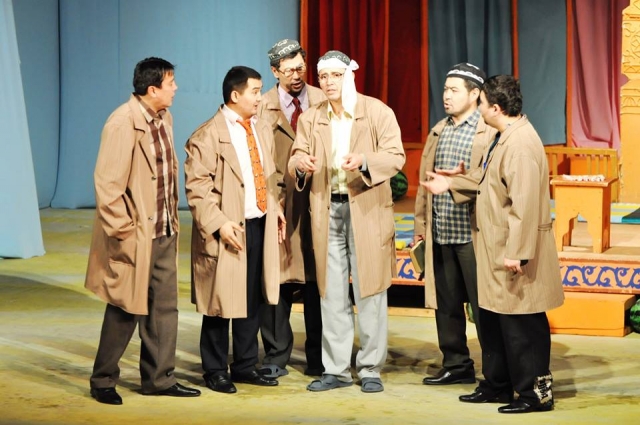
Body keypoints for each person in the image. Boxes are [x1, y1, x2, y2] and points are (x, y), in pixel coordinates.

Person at [421, 75, 564, 413]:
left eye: (482, 103)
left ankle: (534, 394)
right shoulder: (503, 137)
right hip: (494, 249)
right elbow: (488, 180)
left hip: (512, 253)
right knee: (495, 322)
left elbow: (524, 204)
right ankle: (497, 385)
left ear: (496, 108)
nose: (479, 109)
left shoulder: (520, 145)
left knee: (522, 325)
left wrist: (518, 252)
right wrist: (452, 182)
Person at [288, 50, 405, 393]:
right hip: (328, 210)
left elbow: (395, 156)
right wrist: (300, 164)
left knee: (370, 289)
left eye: (335, 76)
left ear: (349, 76)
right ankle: (336, 369)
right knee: (332, 292)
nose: (328, 83)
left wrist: (365, 160)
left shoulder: (376, 112)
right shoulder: (312, 117)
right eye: (323, 77)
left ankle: (370, 368)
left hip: (366, 210)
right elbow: (296, 154)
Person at [85, 57, 201, 405]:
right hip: (135, 233)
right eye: (170, 83)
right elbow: (108, 185)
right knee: (125, 307)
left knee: (164, 308)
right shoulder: (123, 122)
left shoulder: (164, 118)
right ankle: (103, 380)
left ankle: (159, 379)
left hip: (163, 227)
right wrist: (123, 231)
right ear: (152, 89)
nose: (176, 88)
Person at [184, 66, 287, 395]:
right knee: (220, 301)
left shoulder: (261, 127)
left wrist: (276, 208)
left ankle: (245, 364)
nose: (260, 98)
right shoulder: (207, 135)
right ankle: (215, 369)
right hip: (227, 229)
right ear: (235, 95)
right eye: (255, 91)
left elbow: (269, 175)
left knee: (251, 299)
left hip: (258, 223)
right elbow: (198, 189)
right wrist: (219, 224)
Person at [414, 63, 497, 386]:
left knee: (483, 305)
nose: (446, 96)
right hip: (442, 231)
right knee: (446, 305)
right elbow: (425, 184)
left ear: (475, 94)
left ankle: (496, 371)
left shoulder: (487, 131)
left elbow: (490, 181)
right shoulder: (440, 129)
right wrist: (420, 227)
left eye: (454, 90)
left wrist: (458, 181)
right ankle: (456, 364)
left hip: (474, 235)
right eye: (445, 89)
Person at [256, 39, 326, 379]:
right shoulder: (261, 106)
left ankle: (319, 357)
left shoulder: (324, 99)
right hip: (279, 201)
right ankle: (276, 354)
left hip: (319, 197)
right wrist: (270, 201)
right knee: (278, 278)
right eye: (288, 71)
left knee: (318, 280)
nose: (296, 76)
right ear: (274, 71)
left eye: (300, 68)